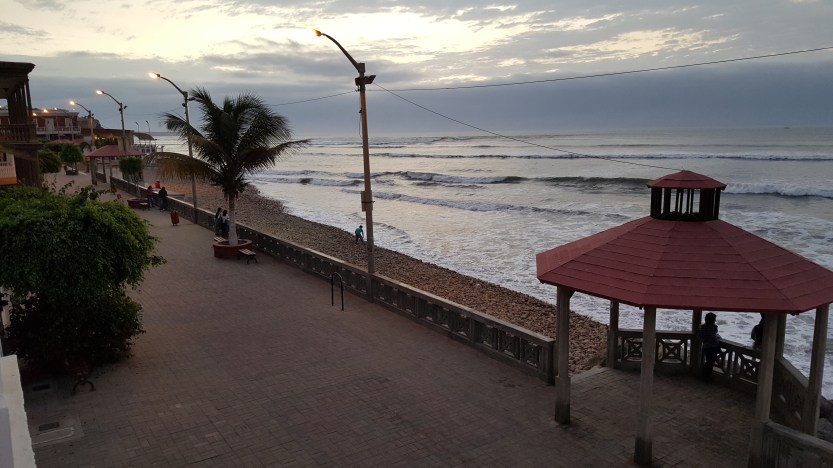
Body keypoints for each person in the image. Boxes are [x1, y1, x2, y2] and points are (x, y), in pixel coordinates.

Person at [698, 312, 722, 381]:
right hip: (713, 347)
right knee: (710, 363)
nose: (715, 320)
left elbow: (700, 336)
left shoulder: (702, 327)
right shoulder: (714, 327)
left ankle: (705, 376)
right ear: (712, 320)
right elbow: (715, 336)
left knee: (708, 362)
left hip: (706, 347)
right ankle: (706, 377)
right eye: (714, 319)